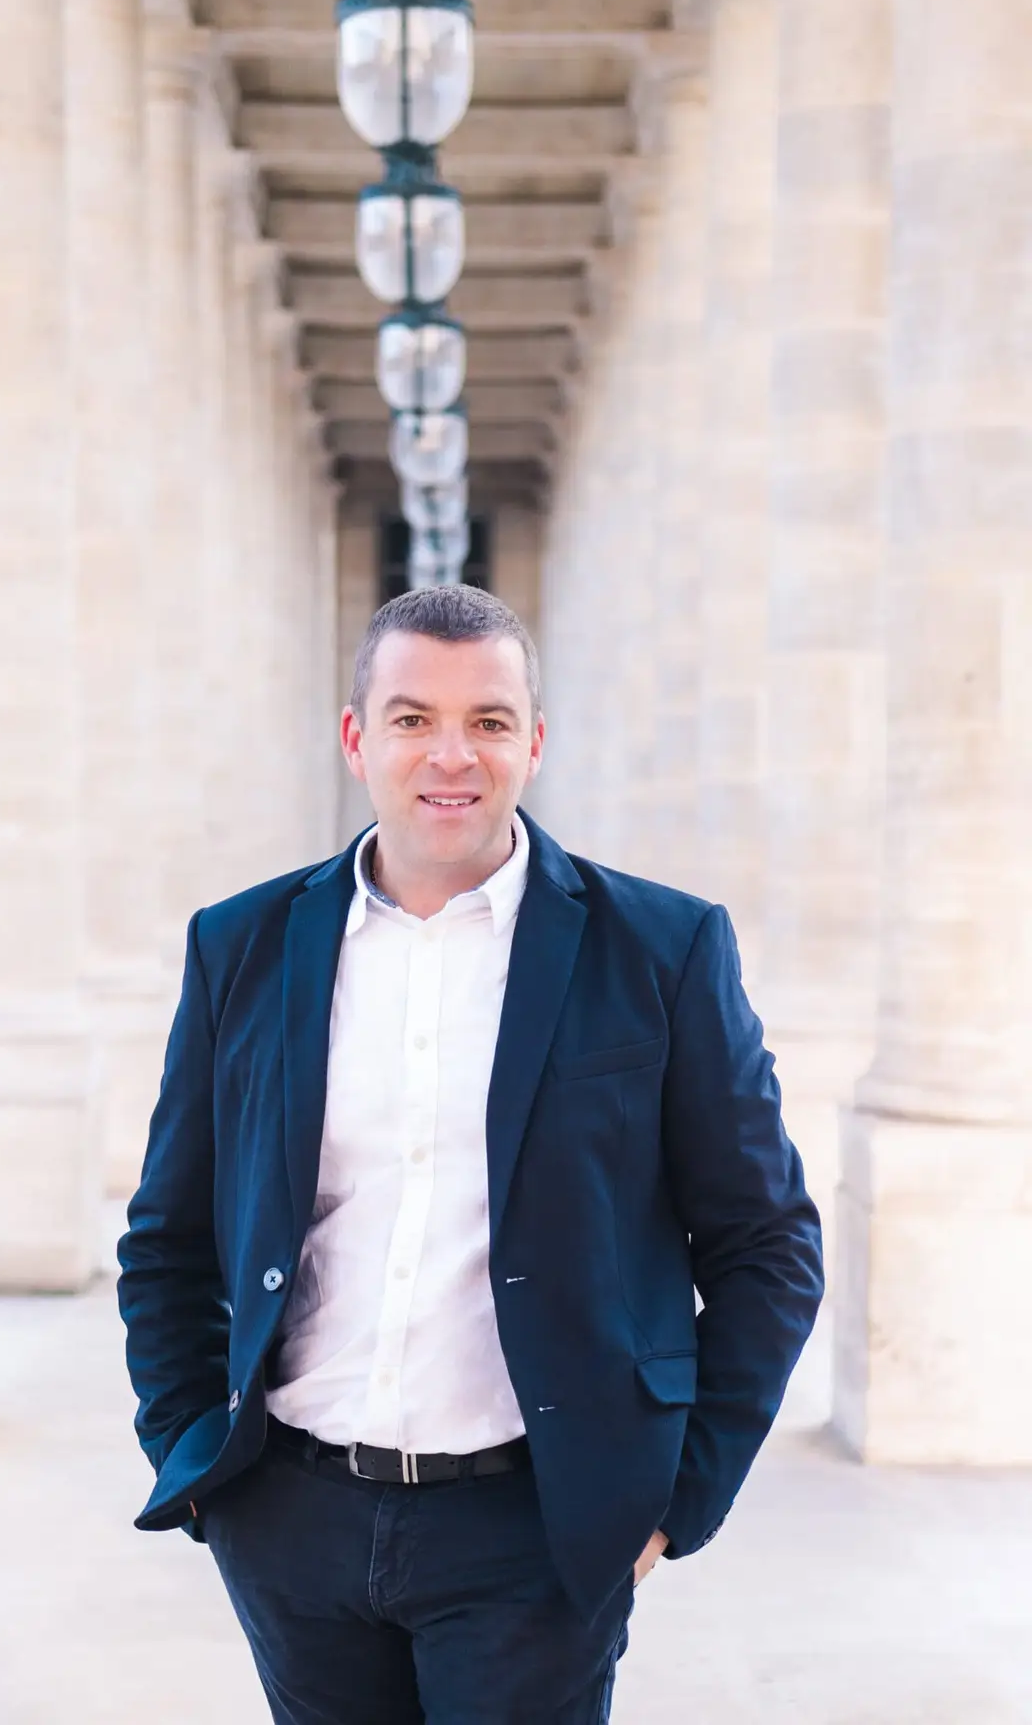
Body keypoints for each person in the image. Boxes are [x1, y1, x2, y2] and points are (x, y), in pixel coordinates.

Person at [118, 584, 824, 1724]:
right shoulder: (238, 945)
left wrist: (668, 1501)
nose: (451, 754)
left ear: (533, 743)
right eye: (410, 718)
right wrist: (200, 1460)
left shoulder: (662, 948)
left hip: (533, 1532)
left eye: (488, 721)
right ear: (357, 739)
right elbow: (168, 1233)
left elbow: (766, 1241)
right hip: (292, 1521)